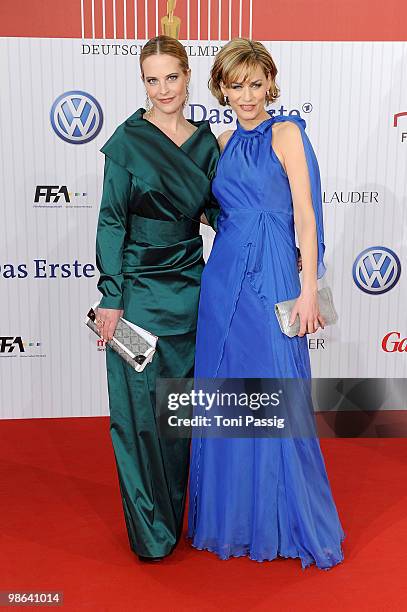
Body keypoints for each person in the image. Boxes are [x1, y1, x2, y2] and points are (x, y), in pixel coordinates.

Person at [188, 39, 345, 570]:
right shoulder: (219, 140)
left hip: (275, 274)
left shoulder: (288, 134)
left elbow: (306, 216)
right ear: (222, 88)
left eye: (256, 84)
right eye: (237, 85)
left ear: (269, 85)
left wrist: (306, 289)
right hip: (224, 277)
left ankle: (284, 518)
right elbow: (200, 206)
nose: (247, 95)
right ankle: (231, 520)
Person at [95, 35, 220, 561]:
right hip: (139, 294)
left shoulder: (207, 145)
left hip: (193, 292)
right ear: (142, 81)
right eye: (152, 78)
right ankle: (150, 530)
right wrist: (111, 296)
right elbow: (112, 220)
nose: (163, 89)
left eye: (172, 77)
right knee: (139, 414)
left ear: (188, 76)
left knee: (179, 413)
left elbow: (223, 215)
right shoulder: (127, 141)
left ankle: (182, 515)